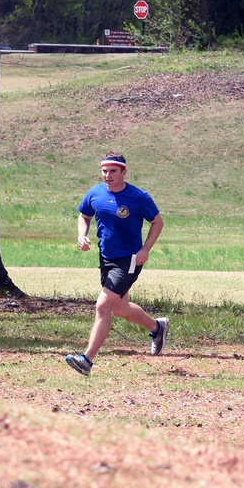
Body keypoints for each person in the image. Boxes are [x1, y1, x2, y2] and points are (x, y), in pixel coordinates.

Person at [65, 154, 170, 376]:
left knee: (103, 306)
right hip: (106, 258)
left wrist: (145, 249)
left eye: (113, 171)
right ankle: (157, 327)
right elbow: (84, 216)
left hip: (129, 259)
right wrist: (81, 235)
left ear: (123, 172)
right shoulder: (95, 193)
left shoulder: (138, 197)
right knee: (120, 308)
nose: (107, 175)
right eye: (104, 171)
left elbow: (157, 222)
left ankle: (86, 360)